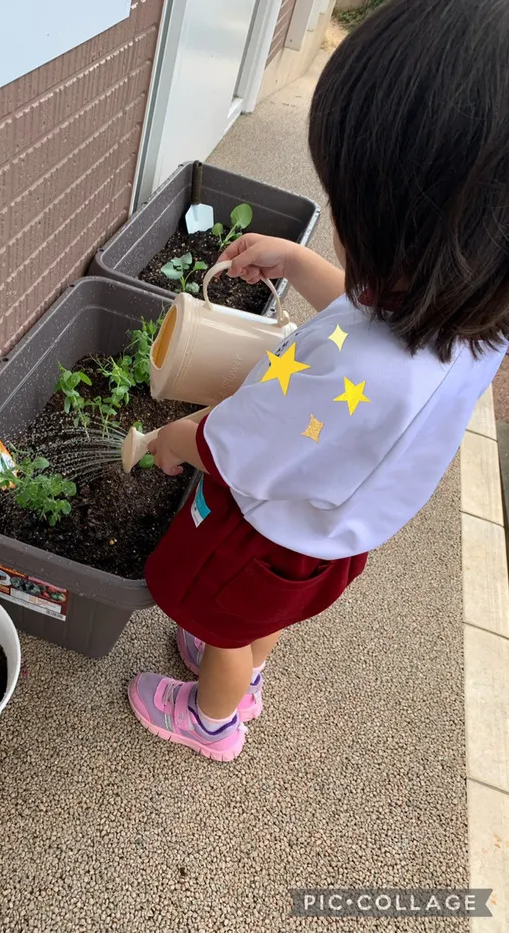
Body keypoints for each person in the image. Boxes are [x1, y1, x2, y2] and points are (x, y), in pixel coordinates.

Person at [128, 0, 509, 761]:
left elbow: (236, 442)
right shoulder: (472, 324)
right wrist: (301, 265)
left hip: (265, 525)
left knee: (229, 618)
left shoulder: (347, 366)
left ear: (409, 230)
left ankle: (211, 720)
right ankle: (246, 670)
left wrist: (170, 440)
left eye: (348, 211)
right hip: (330, 539)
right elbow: (379, 324)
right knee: (269, 606)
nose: (337, 222)